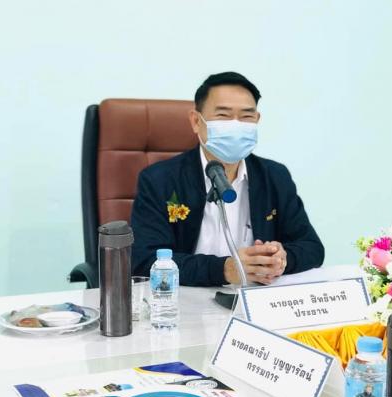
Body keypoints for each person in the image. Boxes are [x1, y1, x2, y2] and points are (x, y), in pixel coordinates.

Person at [131, 72, 324, 286]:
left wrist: (282, 259)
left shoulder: (274, 176)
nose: (236, 125)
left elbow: (312, 248)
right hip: (187, 296)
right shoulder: (159, 180)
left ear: (257, 120)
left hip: (254, 296)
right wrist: (224, 269)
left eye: (246, 116)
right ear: (196, 121)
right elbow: (144, 260)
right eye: (223, 115)